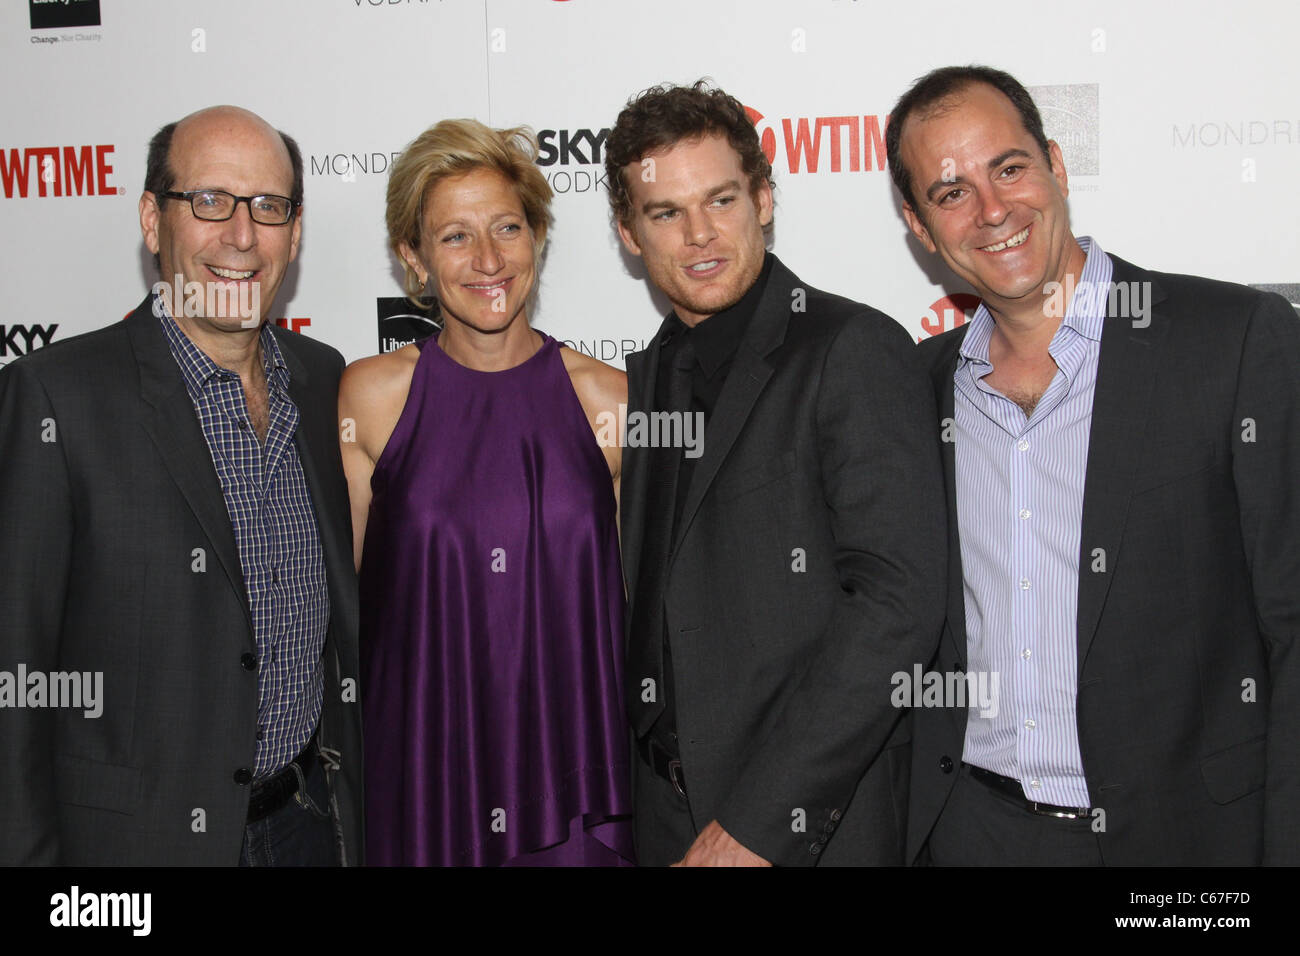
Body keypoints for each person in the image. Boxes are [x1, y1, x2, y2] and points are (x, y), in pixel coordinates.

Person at [889, 65, 1300, 865]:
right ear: (918, 224)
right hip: (975, 835)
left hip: (1189, 843)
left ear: (1056, 164)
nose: (993, 210)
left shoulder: (1234, 338)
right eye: (951, 192)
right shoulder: (914, 388)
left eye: (1008, 168)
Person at [0, 105, 363, 866]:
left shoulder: (326, 379)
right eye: (208, 201)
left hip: (308, 827)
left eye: (269, 207)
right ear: (150, 218)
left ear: (295, 234)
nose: (240, 235)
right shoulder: (55, 398)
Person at [606, 81, 947, 866]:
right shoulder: (654, 370)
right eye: (665, 213)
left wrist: (759, 823)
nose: (700, 235)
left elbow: (898, 610)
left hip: (802, 828)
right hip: (666, 815)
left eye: (720, 199)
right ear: (629, 232)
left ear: (764, 198)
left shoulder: (850, 348)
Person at [340, 119, 633, 866]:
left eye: (508, 226)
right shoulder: (370, 397)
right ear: (412, 256)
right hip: (422, 780)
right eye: (454, 237)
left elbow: (642, 620)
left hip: (575, 785)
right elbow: (342, 617)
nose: (488, 259)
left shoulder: (614, 403)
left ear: (538, 235)